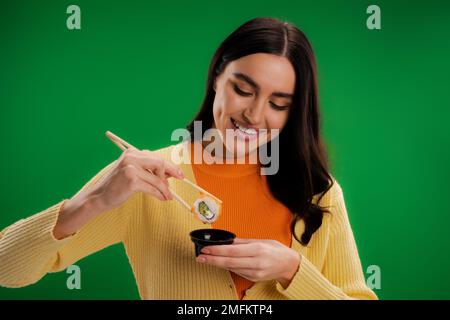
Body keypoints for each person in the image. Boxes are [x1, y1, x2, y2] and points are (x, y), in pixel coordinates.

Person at [0, 17, 377, 300]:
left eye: (279, 104)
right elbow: (7, 269)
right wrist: (93, 201)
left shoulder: (317, 192)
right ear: (216, 77)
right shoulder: (145, 180)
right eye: (243, 90)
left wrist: (293, 270)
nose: (255, 115)